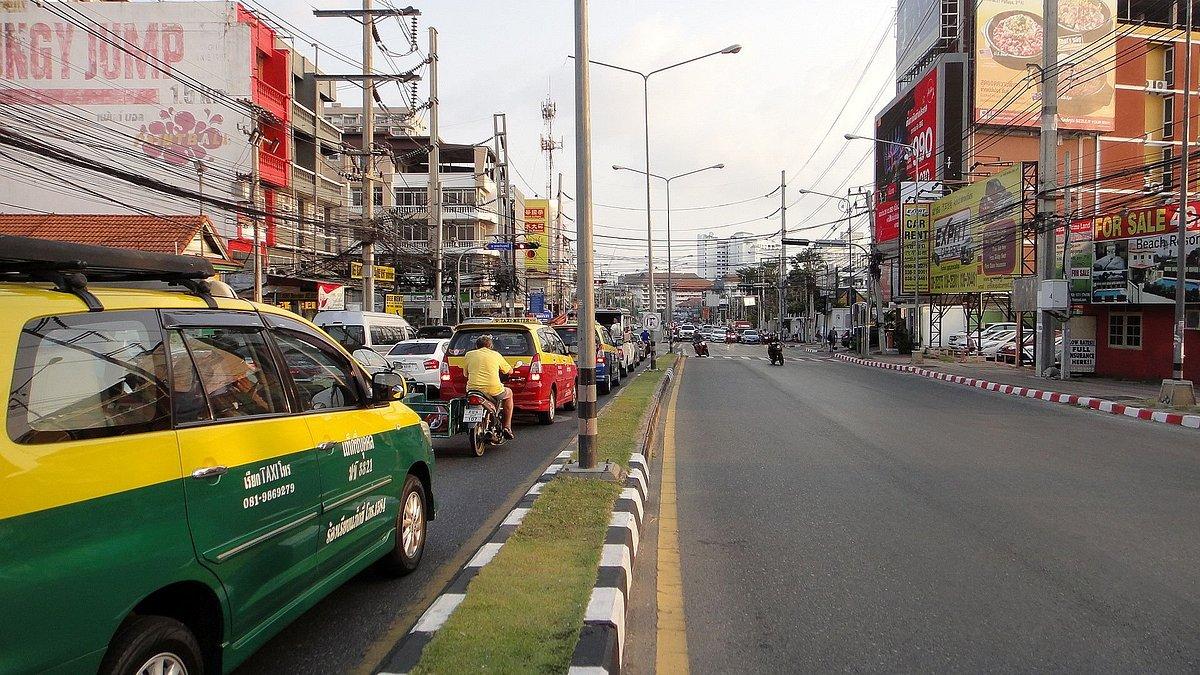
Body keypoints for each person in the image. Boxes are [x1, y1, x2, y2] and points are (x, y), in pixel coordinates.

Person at [463, 334, 514, 439]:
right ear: (490, 346)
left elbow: (465, 374)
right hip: (494, 390)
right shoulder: (496, 355)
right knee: (509, 393)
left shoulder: (469, 354)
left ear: (476, 346)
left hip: (473, 390)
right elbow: (509, 371)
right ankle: (507, 427)